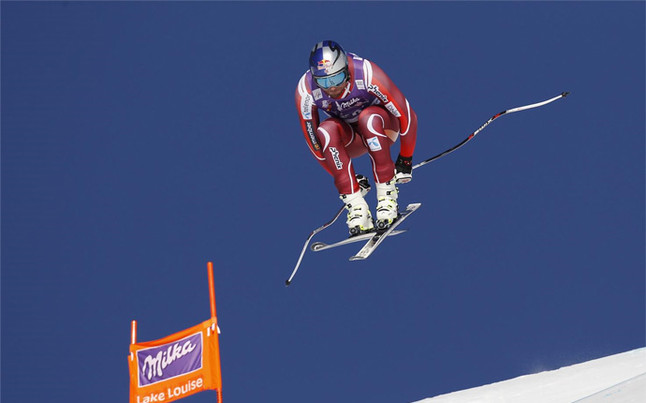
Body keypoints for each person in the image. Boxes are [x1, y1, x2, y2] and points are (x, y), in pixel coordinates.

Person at [295, 40, 418, 236]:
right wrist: (349, 180)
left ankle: (386, 197)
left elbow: (407, 114)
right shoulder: (306, 90)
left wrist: (405, 158)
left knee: (368, 118)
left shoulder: (366, 73)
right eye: (324, 82)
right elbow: (315, 146)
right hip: (353, 140)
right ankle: (357, 208)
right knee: (325, 130)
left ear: (347, 70)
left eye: (337, 79)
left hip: (383, 128)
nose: (332, 88)